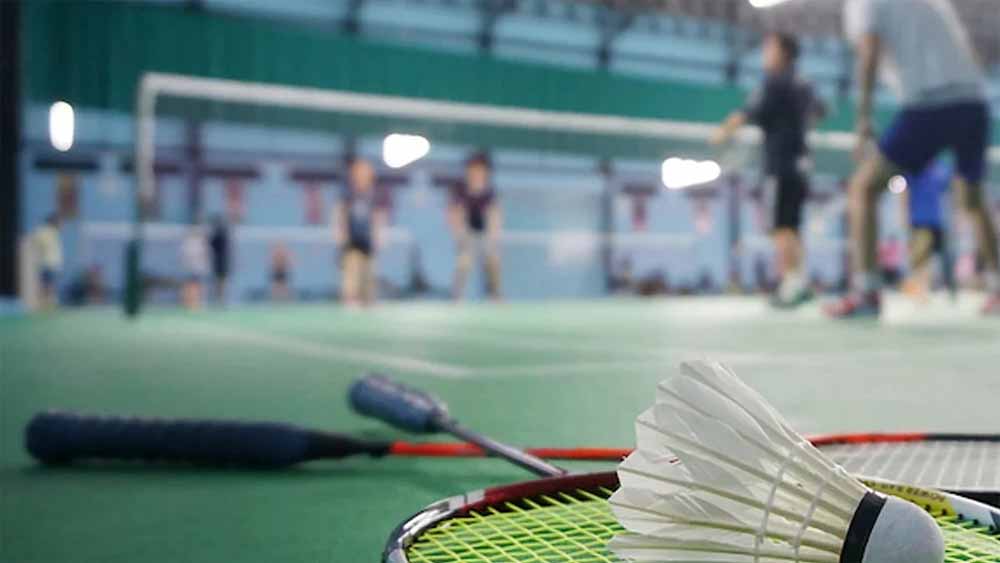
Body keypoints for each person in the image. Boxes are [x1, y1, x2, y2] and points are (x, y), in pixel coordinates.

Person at [828, 0, 999, 317]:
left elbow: (869, 51)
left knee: (863, 187)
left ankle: (866, 291)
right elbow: (967, 51)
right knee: (973, 199)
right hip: (973, 101)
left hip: (929, 104)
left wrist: (863, 119)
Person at [712, 32, 827, 309]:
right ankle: (799, 283)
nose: (765, 53)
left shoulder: (773, 82)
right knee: (793, 227)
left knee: (781, 228)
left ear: (783, 53)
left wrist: (721, 133)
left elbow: (746, 113)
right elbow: (820, 111)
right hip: (801, 163)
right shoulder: (805, 83)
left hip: (779, 164)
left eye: (769, 48)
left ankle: (789, 285)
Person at [333, 155, 387, 307]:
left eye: (366, 173)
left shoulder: (374, 194)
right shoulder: (348, 193)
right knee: (351, 273)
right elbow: (341, 213)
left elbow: (378, 217)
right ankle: (350, 300)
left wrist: (379, 236)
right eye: (359, 172)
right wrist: (341, 233)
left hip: (367, 240)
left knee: (369, 274)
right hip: (352, 239)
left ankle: (368, 300)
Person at [449, 152, 503, 301]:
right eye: (474, 169)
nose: (477, 173)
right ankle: (457, 297)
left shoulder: (489, 192)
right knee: (464, 262)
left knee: (493, 260)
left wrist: (493, 237)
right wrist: (460, 234)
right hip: (467, 233)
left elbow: (494, 215)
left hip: (485, 233)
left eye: (480, 170)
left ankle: (496, 296)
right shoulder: (461, 190)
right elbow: (456, 213)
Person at [901, 159, 956, 301]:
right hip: (919, 220)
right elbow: (905, 192)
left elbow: (950, 188)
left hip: (937, 221)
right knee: (921, 256)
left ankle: (946, 288)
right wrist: (904, 215)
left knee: (941, 256)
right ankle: (921, 290)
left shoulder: (940, 169)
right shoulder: (914, 167)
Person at [31, 214, 63, 310]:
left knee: (47, 285)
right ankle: (47, 304)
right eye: (57, 222)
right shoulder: (47, 232)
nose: (59, 224)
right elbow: (34, 240)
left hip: (49, 263)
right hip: (49, 263)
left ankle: (46, 303)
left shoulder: (52, 232)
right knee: (48, 285)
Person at [180, 223, 209, 310]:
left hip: (198, 268)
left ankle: (197, 302)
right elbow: (185, 256)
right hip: (190, 268)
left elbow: (204, 256)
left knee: (198, 286)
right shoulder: (188, 243)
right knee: (189, 285)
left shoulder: (201, 243)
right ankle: (188, 302)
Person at [208, 214, 230, 305]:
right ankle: (220, 299)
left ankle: (220, 299)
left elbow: (212, 244)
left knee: (221, 283)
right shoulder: (223, 234)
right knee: (220, 282)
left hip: (220, 263)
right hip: (220, 263)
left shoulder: (219, 235)